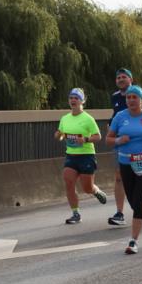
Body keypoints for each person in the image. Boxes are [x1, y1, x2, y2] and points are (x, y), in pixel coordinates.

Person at [106, 85, 142, 253]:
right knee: (133, 201)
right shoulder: (120, 117)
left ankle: (133, 241)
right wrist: (119, 140)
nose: (131, 100)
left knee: (138, 199)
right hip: (126, 163)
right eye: (128, 98)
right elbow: (108, 139)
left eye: (135, 97)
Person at [107, 68, 142, 226]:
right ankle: (120, 213)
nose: (120, 79)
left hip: (141, 144)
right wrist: (114, 135)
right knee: (119, 176)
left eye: (124, 77)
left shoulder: (141, 94)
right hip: (122, 143)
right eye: (118, 77)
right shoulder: (114, 97)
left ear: (131, 79)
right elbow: (115, 117)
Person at [55, 89, 107, 223]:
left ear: (82, 101)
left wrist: (85, 139)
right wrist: (58, 135)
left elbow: (98, 136)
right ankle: (75, 213)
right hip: (71, 155)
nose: (73, 100)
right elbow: (60, 133)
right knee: (68, 181)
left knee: (87, 188)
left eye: (76, 98)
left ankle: (96, 191)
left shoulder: (88, 118)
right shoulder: (65, 118)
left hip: (86, 155)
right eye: (71, 98)